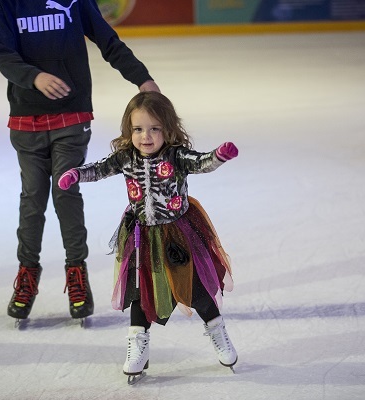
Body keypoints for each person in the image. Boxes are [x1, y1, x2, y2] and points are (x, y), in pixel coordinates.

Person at [0, 0, 161, 323]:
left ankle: (76, 273)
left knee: (65, 191)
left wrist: (142, 79)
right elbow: (3, 55)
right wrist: (34, 77)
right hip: (26, 118)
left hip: (71, 113)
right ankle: (27, 273)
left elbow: (107, 40)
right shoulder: (3, 3)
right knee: (33, 197)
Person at [57, 91, 239, 378]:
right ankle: (138, 345)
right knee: (142, 294)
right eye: (138, 129)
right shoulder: (126, 158)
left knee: (196, 290)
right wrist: (77, 174)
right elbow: (99, 169)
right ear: (129, 130)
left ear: (168, 129)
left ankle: (217, 332)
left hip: (178, 235)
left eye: (155, 129)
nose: (146, 136)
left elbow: (202, 162)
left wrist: (218, 156)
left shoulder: (176, 156)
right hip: (141, 237)